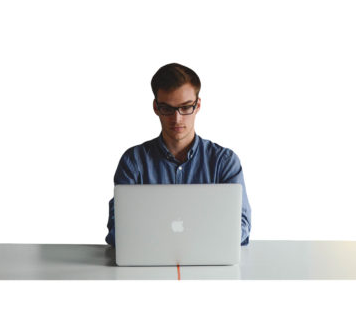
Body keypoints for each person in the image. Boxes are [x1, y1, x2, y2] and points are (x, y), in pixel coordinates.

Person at [105, 63, 251, 246]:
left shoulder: (224, 162)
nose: (177, 119)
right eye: (167, 108)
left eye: (185, 107)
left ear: (197, 105)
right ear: (156, 108)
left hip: (209, 265)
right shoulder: (133, 162)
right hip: (147, 266)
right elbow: (117, 229)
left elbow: (241, 226)